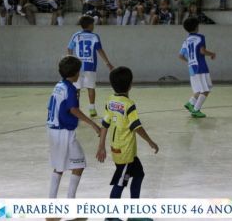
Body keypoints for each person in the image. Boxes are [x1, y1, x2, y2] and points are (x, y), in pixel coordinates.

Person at [96, 66, 159, 205]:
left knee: (139, 174)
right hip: (125, 152)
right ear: (130, 85)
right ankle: (111, 215)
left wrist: (101, 146)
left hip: (120, 149)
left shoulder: (110, 100)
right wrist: (150, 141)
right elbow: (137, 126)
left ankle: (134, 210)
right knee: (120, 182)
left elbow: (105, 124)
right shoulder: (129, 104)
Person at [46, 56, 101, 204]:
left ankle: (52, 201)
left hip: (53, 129)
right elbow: (74, 109)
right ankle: (70, 201)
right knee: (79, 164)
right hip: (64, 132)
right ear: (76, 73)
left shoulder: (58, 86)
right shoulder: (70, 88)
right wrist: (93, 124)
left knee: (59, 166)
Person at [67, 16, 114, 117]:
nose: (94, 26)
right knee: (91, 87)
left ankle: (76, 109)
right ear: (90, 25)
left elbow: (69, 48)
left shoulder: (76, 35)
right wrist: (107, 63)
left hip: (77, 67)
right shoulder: (94, 36)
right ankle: (92, 109)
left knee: (76, 89)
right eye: (93, 24)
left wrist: (70, 59)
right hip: (90, 66)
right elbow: (100, 50)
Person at [179, 18, 215, 118]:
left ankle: (190, 103)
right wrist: (212, 54)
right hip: (201, 66)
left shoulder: (186, 41)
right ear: (196, 27)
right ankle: (196, 109)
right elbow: (202, 51)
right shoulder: (200, 37)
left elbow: (180, 56)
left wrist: (189, 61)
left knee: (200, 89)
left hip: (192, 68)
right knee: (206, 89)